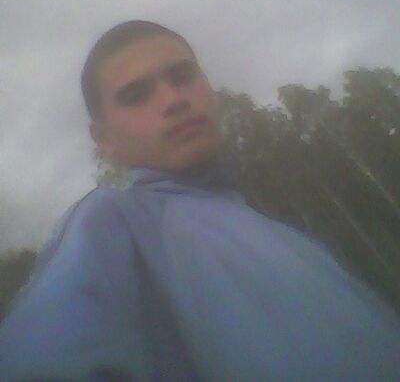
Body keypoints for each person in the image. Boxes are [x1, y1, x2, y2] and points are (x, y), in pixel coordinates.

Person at [0, 20, 399, 381]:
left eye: (183, 76)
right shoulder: (110, 222)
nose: (173, 99)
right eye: (137, 96)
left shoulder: (287, 234)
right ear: (103, 138)